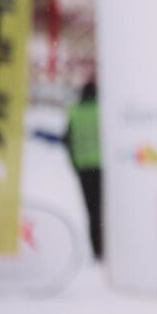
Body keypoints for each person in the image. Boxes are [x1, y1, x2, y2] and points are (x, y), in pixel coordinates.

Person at [66, 80, 102, 260]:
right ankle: (109, 248)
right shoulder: (103, 111)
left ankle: (96, 249)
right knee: (107, 210)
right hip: (103, 168)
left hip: (84, 168)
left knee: (92, 211)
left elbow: (68, 140)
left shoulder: (75, 112)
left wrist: (74, 163)